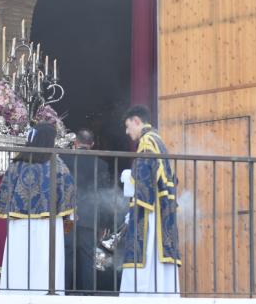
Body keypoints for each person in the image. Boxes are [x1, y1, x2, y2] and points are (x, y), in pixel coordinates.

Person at [0, 123, 76, 295]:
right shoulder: (58, 165)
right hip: (48, 226)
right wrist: (68, 221)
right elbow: (69, 196)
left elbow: (5, 192)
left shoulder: (18, 162)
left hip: (20, 224)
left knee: (18, 259)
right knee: (45, 262)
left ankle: (14, 294)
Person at [119, 105, 181, 297]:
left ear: (137, 121)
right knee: (157, 261)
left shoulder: (147, 141)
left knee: (146, 256)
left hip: (150, 211)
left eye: (128, 126)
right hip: (163, 208)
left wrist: (127, 177)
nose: (127, 132)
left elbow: (144, 176)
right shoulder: (158, 139)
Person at [61, 129, 112, 294]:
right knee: (88, 256)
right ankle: (89, 294)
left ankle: (64, 291)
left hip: (68, 216)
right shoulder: (101, 165)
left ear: (75, 142)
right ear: (92, 144)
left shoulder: (64, 159)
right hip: (90, 218)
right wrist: (103, 223)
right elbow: (104, 195)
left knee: (67, 252)